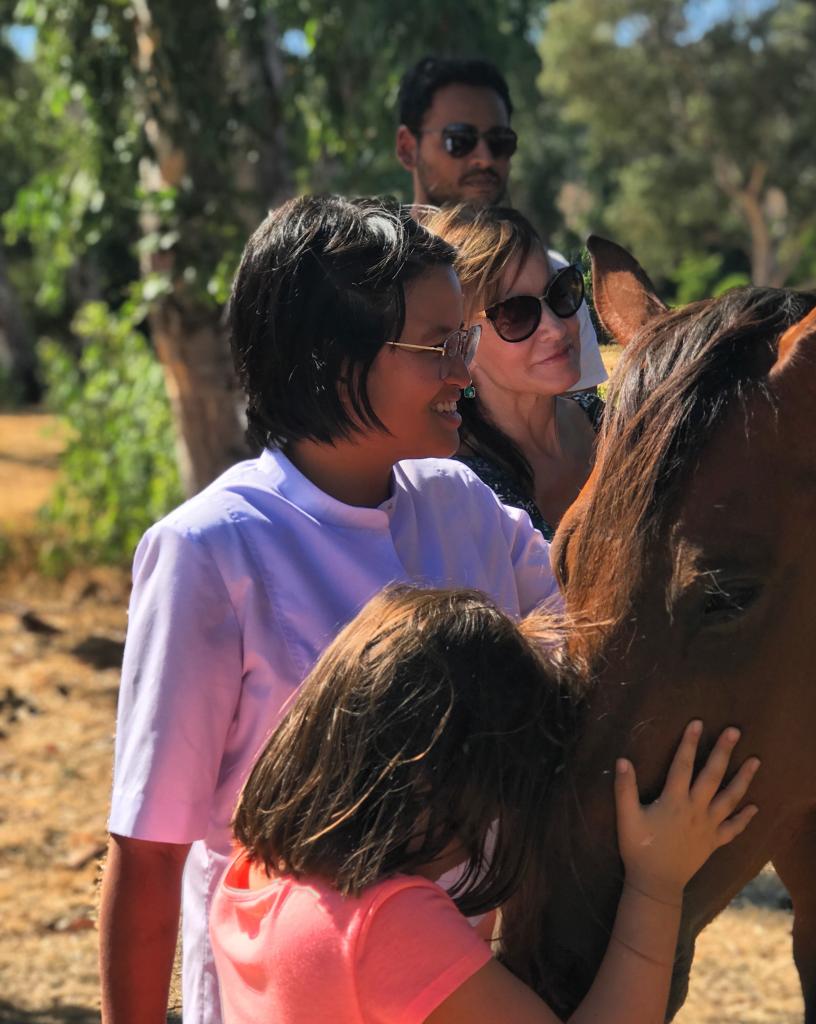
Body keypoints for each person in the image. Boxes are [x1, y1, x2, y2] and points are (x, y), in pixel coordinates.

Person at [98, 195, 561, 1024]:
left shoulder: (462, 504)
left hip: (460, 989)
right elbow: (148, 849)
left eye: (467, 339)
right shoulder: (212, 551)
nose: (465, 368)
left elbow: (585, 622)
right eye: (437, 346)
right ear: (328, 358)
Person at [210, 585, 761, 1024]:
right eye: (499, 802)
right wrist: (657, 883)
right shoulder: (386, 925)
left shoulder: (251, 877)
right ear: (439, 782)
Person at [395, 55, 607, 394]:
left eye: (500, 142)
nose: (484, 158)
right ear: (408, 148)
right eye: (459, 140)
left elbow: (583, 413)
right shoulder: (379, 288)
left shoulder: (552, 280)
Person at [422, 203, 598, 539]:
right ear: (461, 341)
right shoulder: (462, 489)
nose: (556, 328)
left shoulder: (613, 427)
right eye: (515, 314)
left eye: (560, 293)